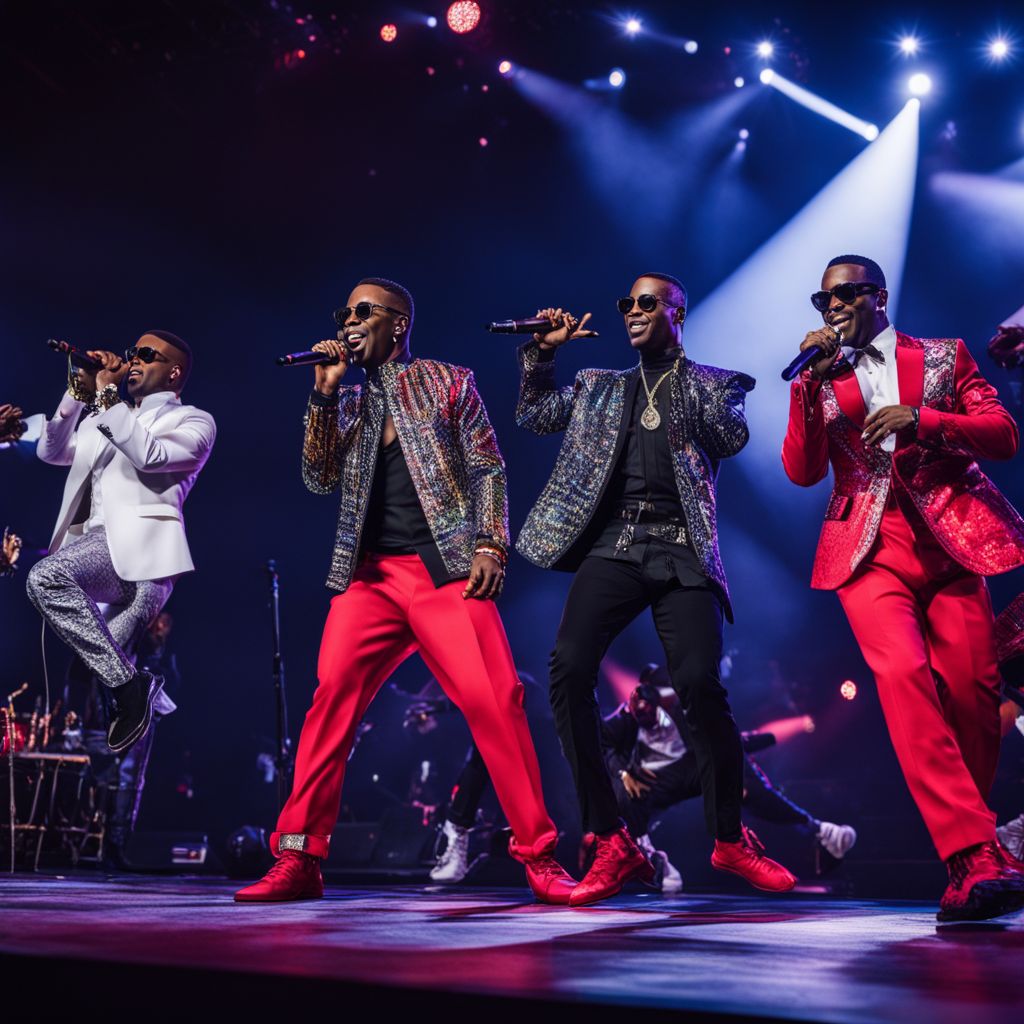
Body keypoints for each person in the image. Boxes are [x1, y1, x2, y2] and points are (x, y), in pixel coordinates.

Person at [235, 277, 575, 905]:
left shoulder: (448, 381)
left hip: (444, 571)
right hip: (367, 579)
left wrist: (490, 544)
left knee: (496, 701)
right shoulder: (353, 397)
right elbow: (318, 478)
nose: (348, 321)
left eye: (361, 311)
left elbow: (487, 466)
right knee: (330, 700)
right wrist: (325, 397)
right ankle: (299, 856)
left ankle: (540, 855)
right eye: (344, 312)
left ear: (397, 323)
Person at [515, 273, 796, 907]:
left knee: (698, 682)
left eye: (648, 304)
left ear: (677, 315)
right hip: (617, 543)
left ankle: (729, 838)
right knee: (567, 668)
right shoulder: (599, 388)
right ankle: (610, 839)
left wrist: (685, 377)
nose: (633, 313)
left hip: (682, 547)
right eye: (626, 304)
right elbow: (534, 415)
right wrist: (544, 352)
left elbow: (731, 438)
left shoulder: (715, 383)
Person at [782, 253, 1024, 921]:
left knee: (975, 693)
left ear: (878, 295)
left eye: (844, 294)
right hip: (868, 548)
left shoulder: (945, 357)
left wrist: (925, 420)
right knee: (905, 676)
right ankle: (974, 849)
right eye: (821, 298)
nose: (830, 306)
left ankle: (970, 861)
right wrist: (807, 387)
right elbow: (802, 470)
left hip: (952, 542)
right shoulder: (822, 377)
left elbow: (1003, 434)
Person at [26, 332, 214, 754]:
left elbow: (151, 457)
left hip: (148, 560)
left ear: (174, 371)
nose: (133, 361)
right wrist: (78, 392)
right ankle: (140, 690)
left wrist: (107, 395)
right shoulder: (104, 417)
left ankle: (136, 709)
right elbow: (50, 452)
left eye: (146, 356)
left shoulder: (194, 420)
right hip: (98, 550)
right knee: (105, 669)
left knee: (49, 584)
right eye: (132, 353)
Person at [601, 678, 857, 892]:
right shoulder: (625, 719)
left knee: (742, 780)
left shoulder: (679, 709)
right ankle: (650, 859)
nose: (648, 718)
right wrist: (623, 772)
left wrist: (735, 776)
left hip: (693, 768)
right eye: (641, 714)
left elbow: (720, 740)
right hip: (656, 780)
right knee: (624, 792)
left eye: (651, 712)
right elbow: (602, 742)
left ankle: (821, 831)